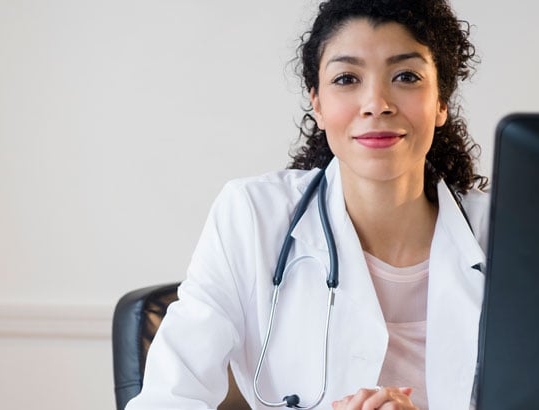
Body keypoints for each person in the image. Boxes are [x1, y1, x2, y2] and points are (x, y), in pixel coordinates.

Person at [125, 0, 488, 409]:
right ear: (316, 103)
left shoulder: (508, 233)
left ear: (441, 102)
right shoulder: (252, 216)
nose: (376, 103)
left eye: (406, 76)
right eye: (347, 78)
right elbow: (165, 401)